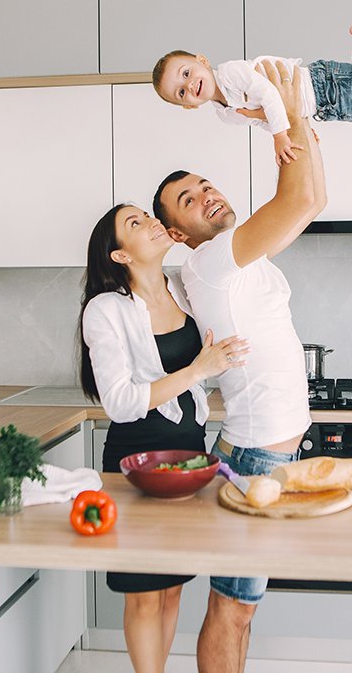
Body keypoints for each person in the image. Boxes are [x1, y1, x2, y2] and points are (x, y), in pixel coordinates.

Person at [152, 60, 326, 673]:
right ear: (177, 231)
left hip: (262, 449)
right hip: (258, 455)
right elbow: (302, 196)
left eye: (205, 184)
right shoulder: (211, 262)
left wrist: (294, 117)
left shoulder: (227, 258)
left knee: (241, 605)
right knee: (234, 605)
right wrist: (289, 112)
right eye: (189, 200)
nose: (207, 195)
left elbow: (314, 198)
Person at [78, 203, 250, 673]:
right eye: (135, 223)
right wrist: (199, 368)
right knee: (143, 595)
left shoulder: (183, 289)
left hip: (188, 460)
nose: (150, 223)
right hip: (135, 463)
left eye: (146, 215)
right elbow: (119, 402)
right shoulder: (106, 309)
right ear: (119, 256)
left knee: (172, 586)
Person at [152, 16, 352, 165]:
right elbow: (262, 120)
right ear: (189, 106)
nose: (189, 85)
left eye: (186, 74)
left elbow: (269, 94)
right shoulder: (226, 115)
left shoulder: (229, 73)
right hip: (321, 107)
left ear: (202, 61)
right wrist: (295, 129)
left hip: (322, 85)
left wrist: (280, 137)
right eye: (181, 92)